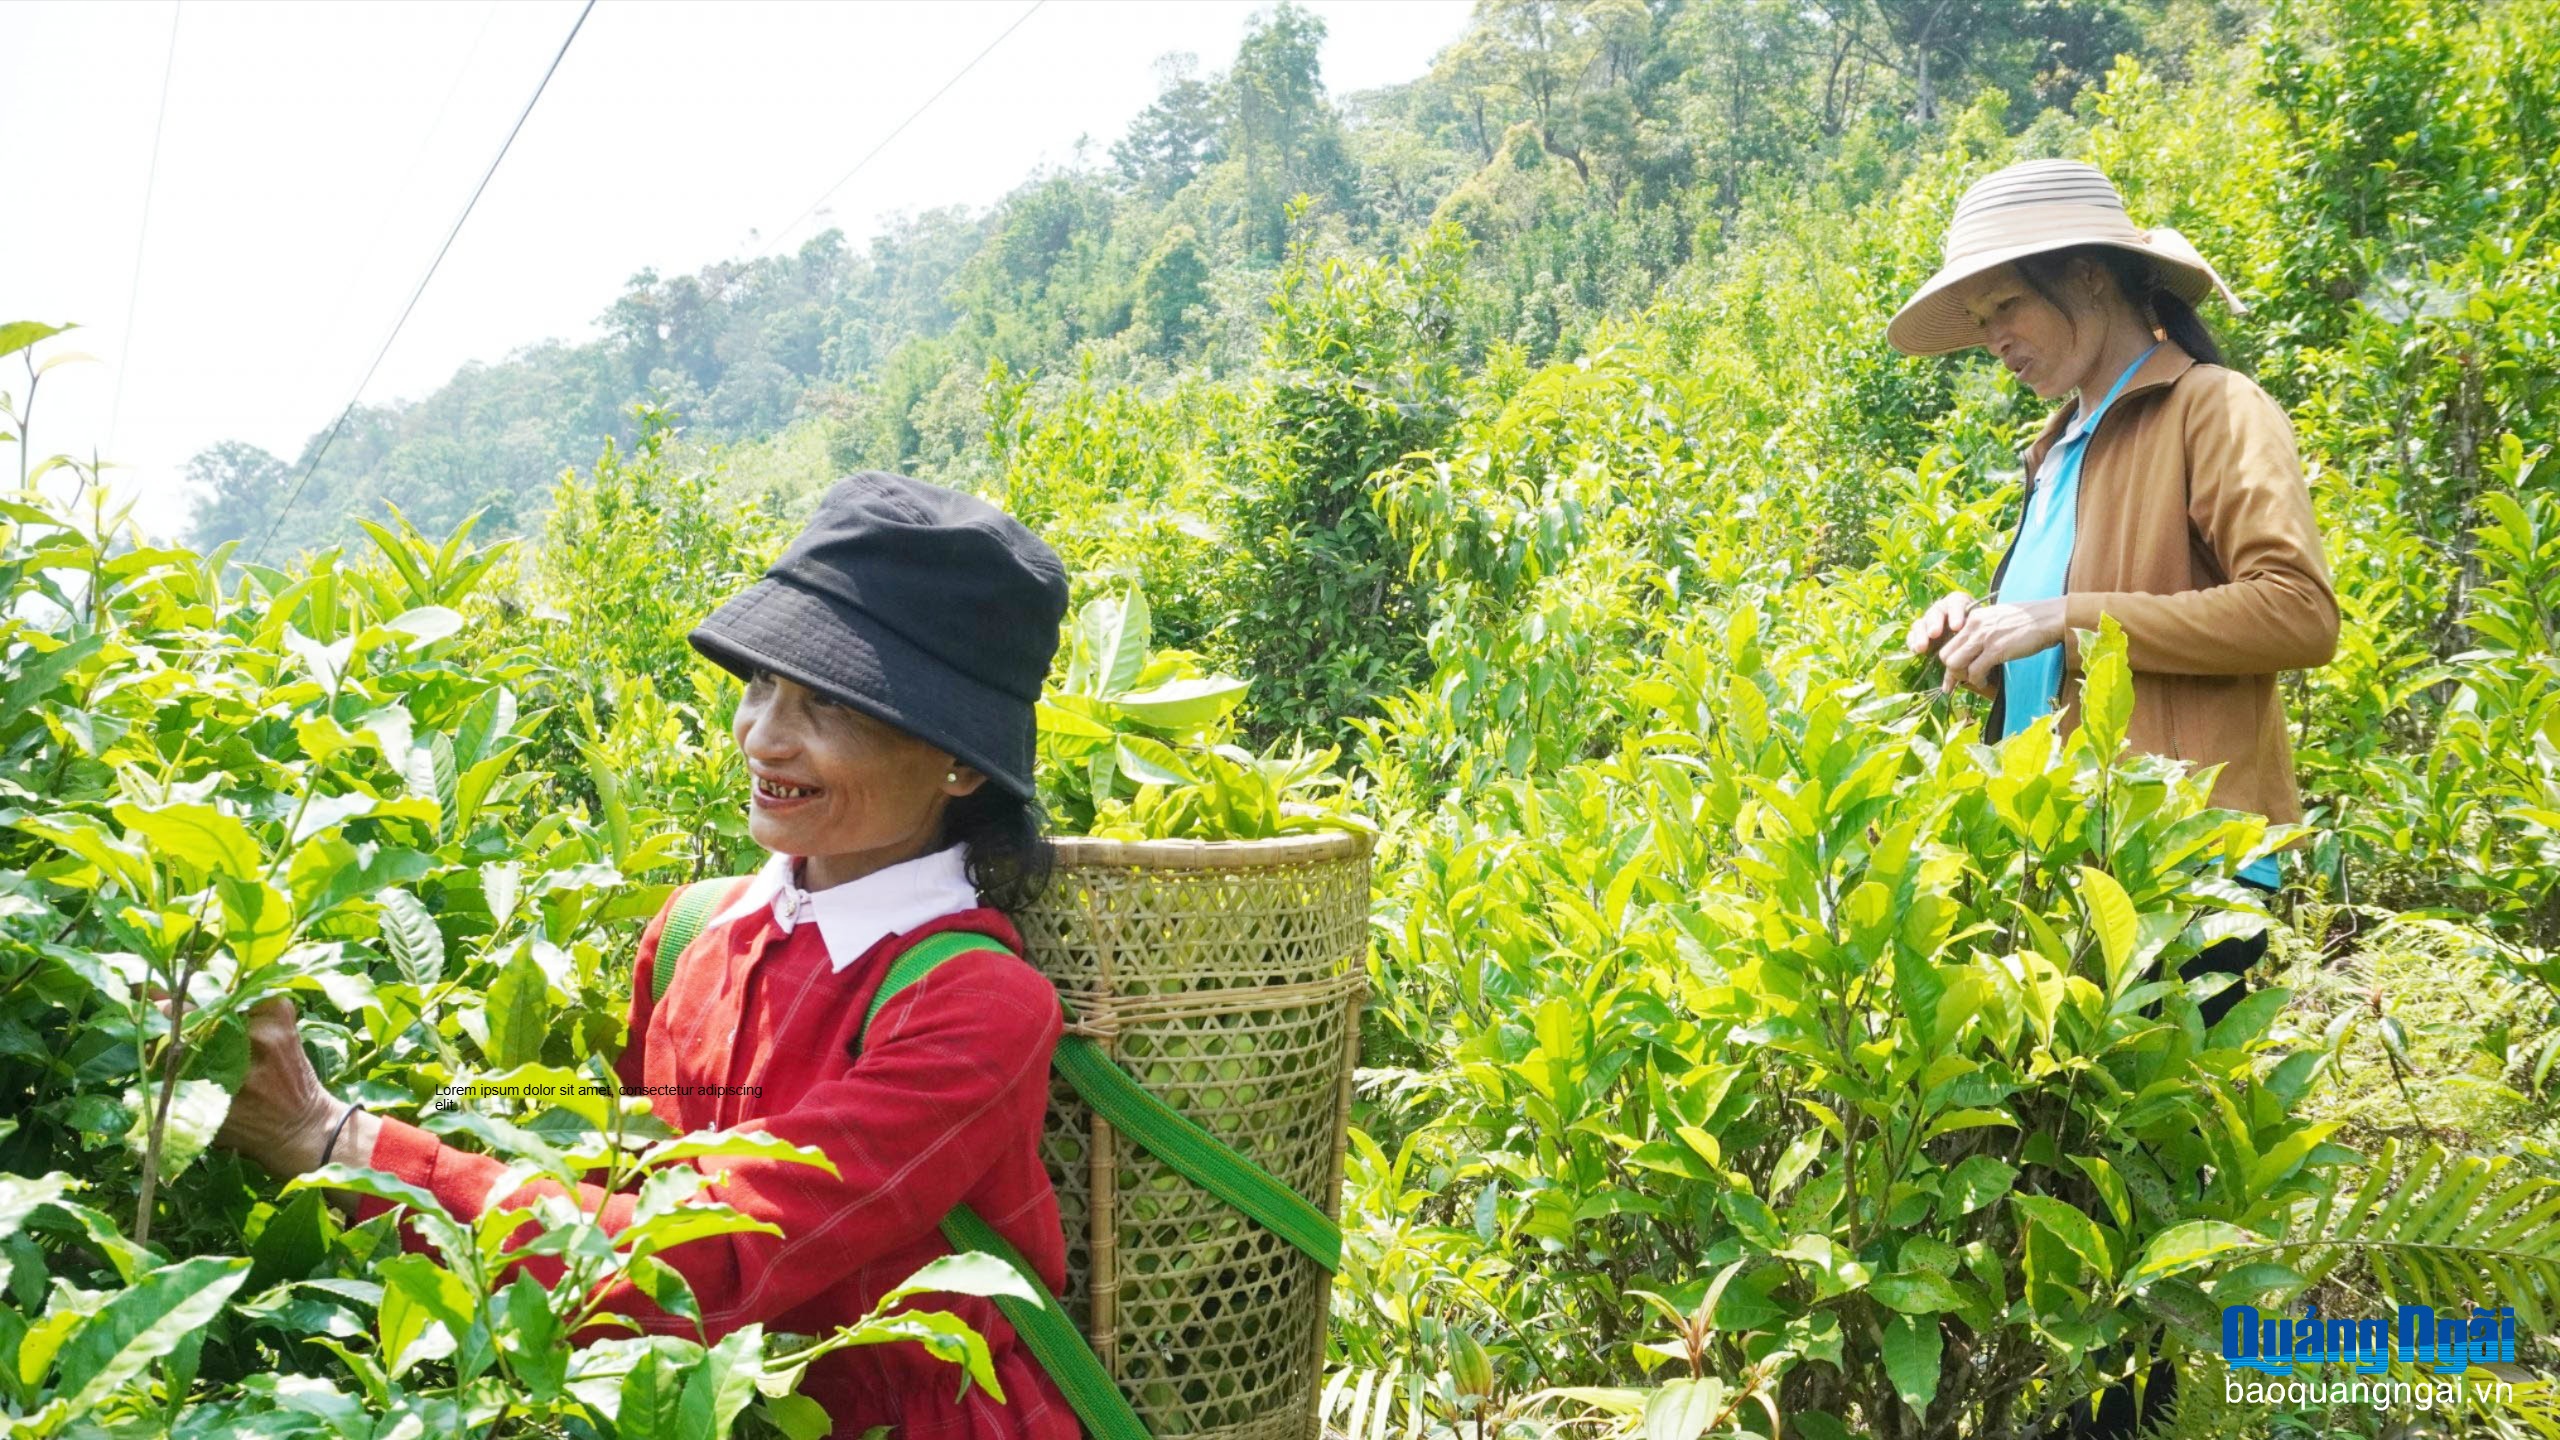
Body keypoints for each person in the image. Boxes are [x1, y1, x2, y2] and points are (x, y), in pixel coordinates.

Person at [207, 472, 1081, 1439]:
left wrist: (345, 1145)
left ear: (959, 763)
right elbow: (625, 1166)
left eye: (831, 707)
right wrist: (462, 1111)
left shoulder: (976, 1004)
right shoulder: (697, 927)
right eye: (760, 684)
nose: (764, 737)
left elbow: (713, 1256)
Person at [1893, 159, 2339, 1435]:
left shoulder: (2213, 407)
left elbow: (2297, 612)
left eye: (2004, 314)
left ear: (2088, 278)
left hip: (2182, 878)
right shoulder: (2058, 448)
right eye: (1977, 326)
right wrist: (1975, 627)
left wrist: (2065, 617)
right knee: (2068, 1223)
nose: (1994, 346)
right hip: (2067, 871)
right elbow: (2062, 638)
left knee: (2134, 1228)